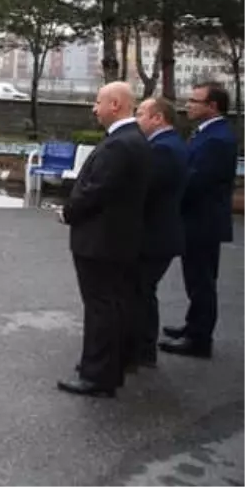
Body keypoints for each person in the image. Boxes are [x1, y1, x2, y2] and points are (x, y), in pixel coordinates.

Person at [57, 81, 150, 399]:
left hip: (102, 241)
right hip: (116, 240)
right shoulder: (132, 139)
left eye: (98, 102)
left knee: (101, 309)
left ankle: (97, 376)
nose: (93, 109)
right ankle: (109, 365)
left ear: (115, 105)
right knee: (114, 305)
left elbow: (96, 190)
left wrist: (67, 213)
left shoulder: (120, 144)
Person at [161, 81, 239, 359]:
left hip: (202, 221)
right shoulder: (206, 133)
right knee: (196, 279)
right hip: (197, 219)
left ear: (212, 106)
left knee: (202, 281)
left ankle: (199, 339)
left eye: (195, 101)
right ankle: (193, 327)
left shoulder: (217, 139)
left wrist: (168, 196)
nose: (188, 105)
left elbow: (197, 181)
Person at [131, 97, 187, 368]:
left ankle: (142, 349)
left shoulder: (163, 149)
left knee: (141, 291)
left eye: (140, 114)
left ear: (158, 118)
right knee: (142, 291)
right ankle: (141, 347)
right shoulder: (167, 145)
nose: (136, 119)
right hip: (158, 234)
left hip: (154, 236)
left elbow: (147, 190)